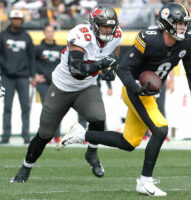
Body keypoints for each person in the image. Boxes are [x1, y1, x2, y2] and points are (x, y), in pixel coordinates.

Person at [57, 2, 191, 196]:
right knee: (160, 129)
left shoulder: (188, 41)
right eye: (179, 23)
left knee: (129, 142)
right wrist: (135, 88)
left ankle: (81, 135)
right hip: (134, 90)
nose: (183, 28)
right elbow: (123, 68)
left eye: (185, 23)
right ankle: (145, 181)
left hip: (149, 94)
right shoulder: (149, 40)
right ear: (167, 24)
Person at [10, 4, 122, 183]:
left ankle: (91, 154)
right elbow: (76, 69)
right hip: (62, 87)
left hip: (86, 87)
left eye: (111, 26)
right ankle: (25, 167)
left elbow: (115, 51)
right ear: (94, 25)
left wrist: (112, 67)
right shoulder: (81, 34)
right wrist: (103, 64)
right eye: (104, 26)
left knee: (98, 117)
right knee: (45, 134)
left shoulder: (117, 35)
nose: (108, 31)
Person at [0, 10, 36, 144]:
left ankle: (26, 136)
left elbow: (32, 58)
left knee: (25, 107)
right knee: (7, 107)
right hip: (7, 77)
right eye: (14, 18)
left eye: (18, 19)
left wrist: (33, 76)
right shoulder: (2, 35)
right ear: (10, 19)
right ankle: (5, 136)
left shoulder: (27, 37)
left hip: (23, 77)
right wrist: (5, 67)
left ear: (22, 20)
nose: (16, 21)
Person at [35, 23, 64, 143]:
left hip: (56, 84)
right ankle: (45, 136)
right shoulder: (38, 49)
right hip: (43, 83)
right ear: (44, 33)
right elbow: (32, 63)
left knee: (57, 109)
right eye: (48, 31)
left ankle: (56, 136)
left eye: (52, 31)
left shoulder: (59, 49)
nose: (50, 34)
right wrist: (35, 75)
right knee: (46, 109)